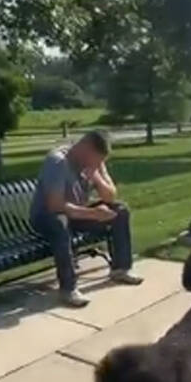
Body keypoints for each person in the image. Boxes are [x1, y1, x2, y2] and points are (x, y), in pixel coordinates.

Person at [30, 130, 144, 308]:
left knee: (120, 211)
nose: (97, 164)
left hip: (76, 213)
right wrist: (93, 214)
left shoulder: (93, 162)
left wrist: (97, 177)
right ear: (85, 148)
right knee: (60, 224)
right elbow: (55, 206)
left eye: (100, 161)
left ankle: (120, 269)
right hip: (47, 217)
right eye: (95, 159)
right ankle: (68, 289)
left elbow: (110, 196)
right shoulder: (58, 162)